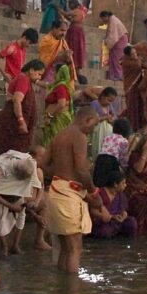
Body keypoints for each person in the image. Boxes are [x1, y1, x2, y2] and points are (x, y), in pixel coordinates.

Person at [43, 107, 101, 273]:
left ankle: (62, 293)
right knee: (75, 248)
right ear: (87, 120)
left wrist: (60, 174)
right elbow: (82, 169)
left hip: (56, 191)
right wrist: (93, 192)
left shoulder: (60, 135)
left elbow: (43, 163)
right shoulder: (79, 136)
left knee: (65, 248)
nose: (93, 130)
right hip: (68, 194)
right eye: (94, 125)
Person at [0, 150, 42, 254]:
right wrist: (11, 206)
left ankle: (15, 245)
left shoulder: (31, 165)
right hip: (0, 197)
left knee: (21, 218)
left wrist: (36, 202)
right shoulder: (3, 166)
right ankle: (4, 247)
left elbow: (40, 187)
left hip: (18, 197)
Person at [0, 59, 46, 157]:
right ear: (31, 70)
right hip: (14, 124)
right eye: (39, 74)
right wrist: (21, 121)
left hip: (17, 125)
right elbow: (17, 100)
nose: (39, 77)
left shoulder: (25, 80)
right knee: (11, 154)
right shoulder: (23, 79)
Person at [89, 154, 136, 239]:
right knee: (105, 231)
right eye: (123, 183)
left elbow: (124, 210)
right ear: (115, 184)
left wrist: (123, 216)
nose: (125, 186)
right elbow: (93, 210)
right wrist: (110, 217)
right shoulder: (100, 192)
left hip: (117, 222)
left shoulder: (121, 195)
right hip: (104, 222)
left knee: (131, 223)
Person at [121, 43, 147, 130]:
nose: (135, 56)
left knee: (140, 107)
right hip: (131, 88)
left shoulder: (136, 60)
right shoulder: (126, 62)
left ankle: (140, 126)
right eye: (133, 54)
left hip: (138, 89)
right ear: (128, 55)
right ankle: (132, 127)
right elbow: (138, 65)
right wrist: (140, 59)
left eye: (135, 53)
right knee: (133, 109)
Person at [42, 64, 77, 148]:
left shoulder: (61, 87)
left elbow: (61, 104)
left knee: (56, 143)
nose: (54, 74)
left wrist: (50, 116)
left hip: (58, 118)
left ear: (59, 73)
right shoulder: (58, 85)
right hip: (55, 117)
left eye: (55, 72)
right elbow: (47, 85)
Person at [101, 11, 129, 81]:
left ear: (106, 16)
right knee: (113, 58)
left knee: (117, 59)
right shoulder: (112, 20)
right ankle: (113, 76)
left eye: (102, 19)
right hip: (118, 40)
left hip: (120, 40)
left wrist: (107, 42)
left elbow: (113, 36)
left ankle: (119, 75)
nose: (103, 21)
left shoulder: (113, 21)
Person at [63, 0, 87, 70]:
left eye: (70, 4)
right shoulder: (81, 12)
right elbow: (71, 19)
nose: (69, 6)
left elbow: (67, 14)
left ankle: (73, 62)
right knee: (77, 47)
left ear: (73, 4)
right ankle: (75, 64)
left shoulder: (76, 11)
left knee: (73, 47)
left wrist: (59, 9)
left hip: (75, 31)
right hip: (79, 30)